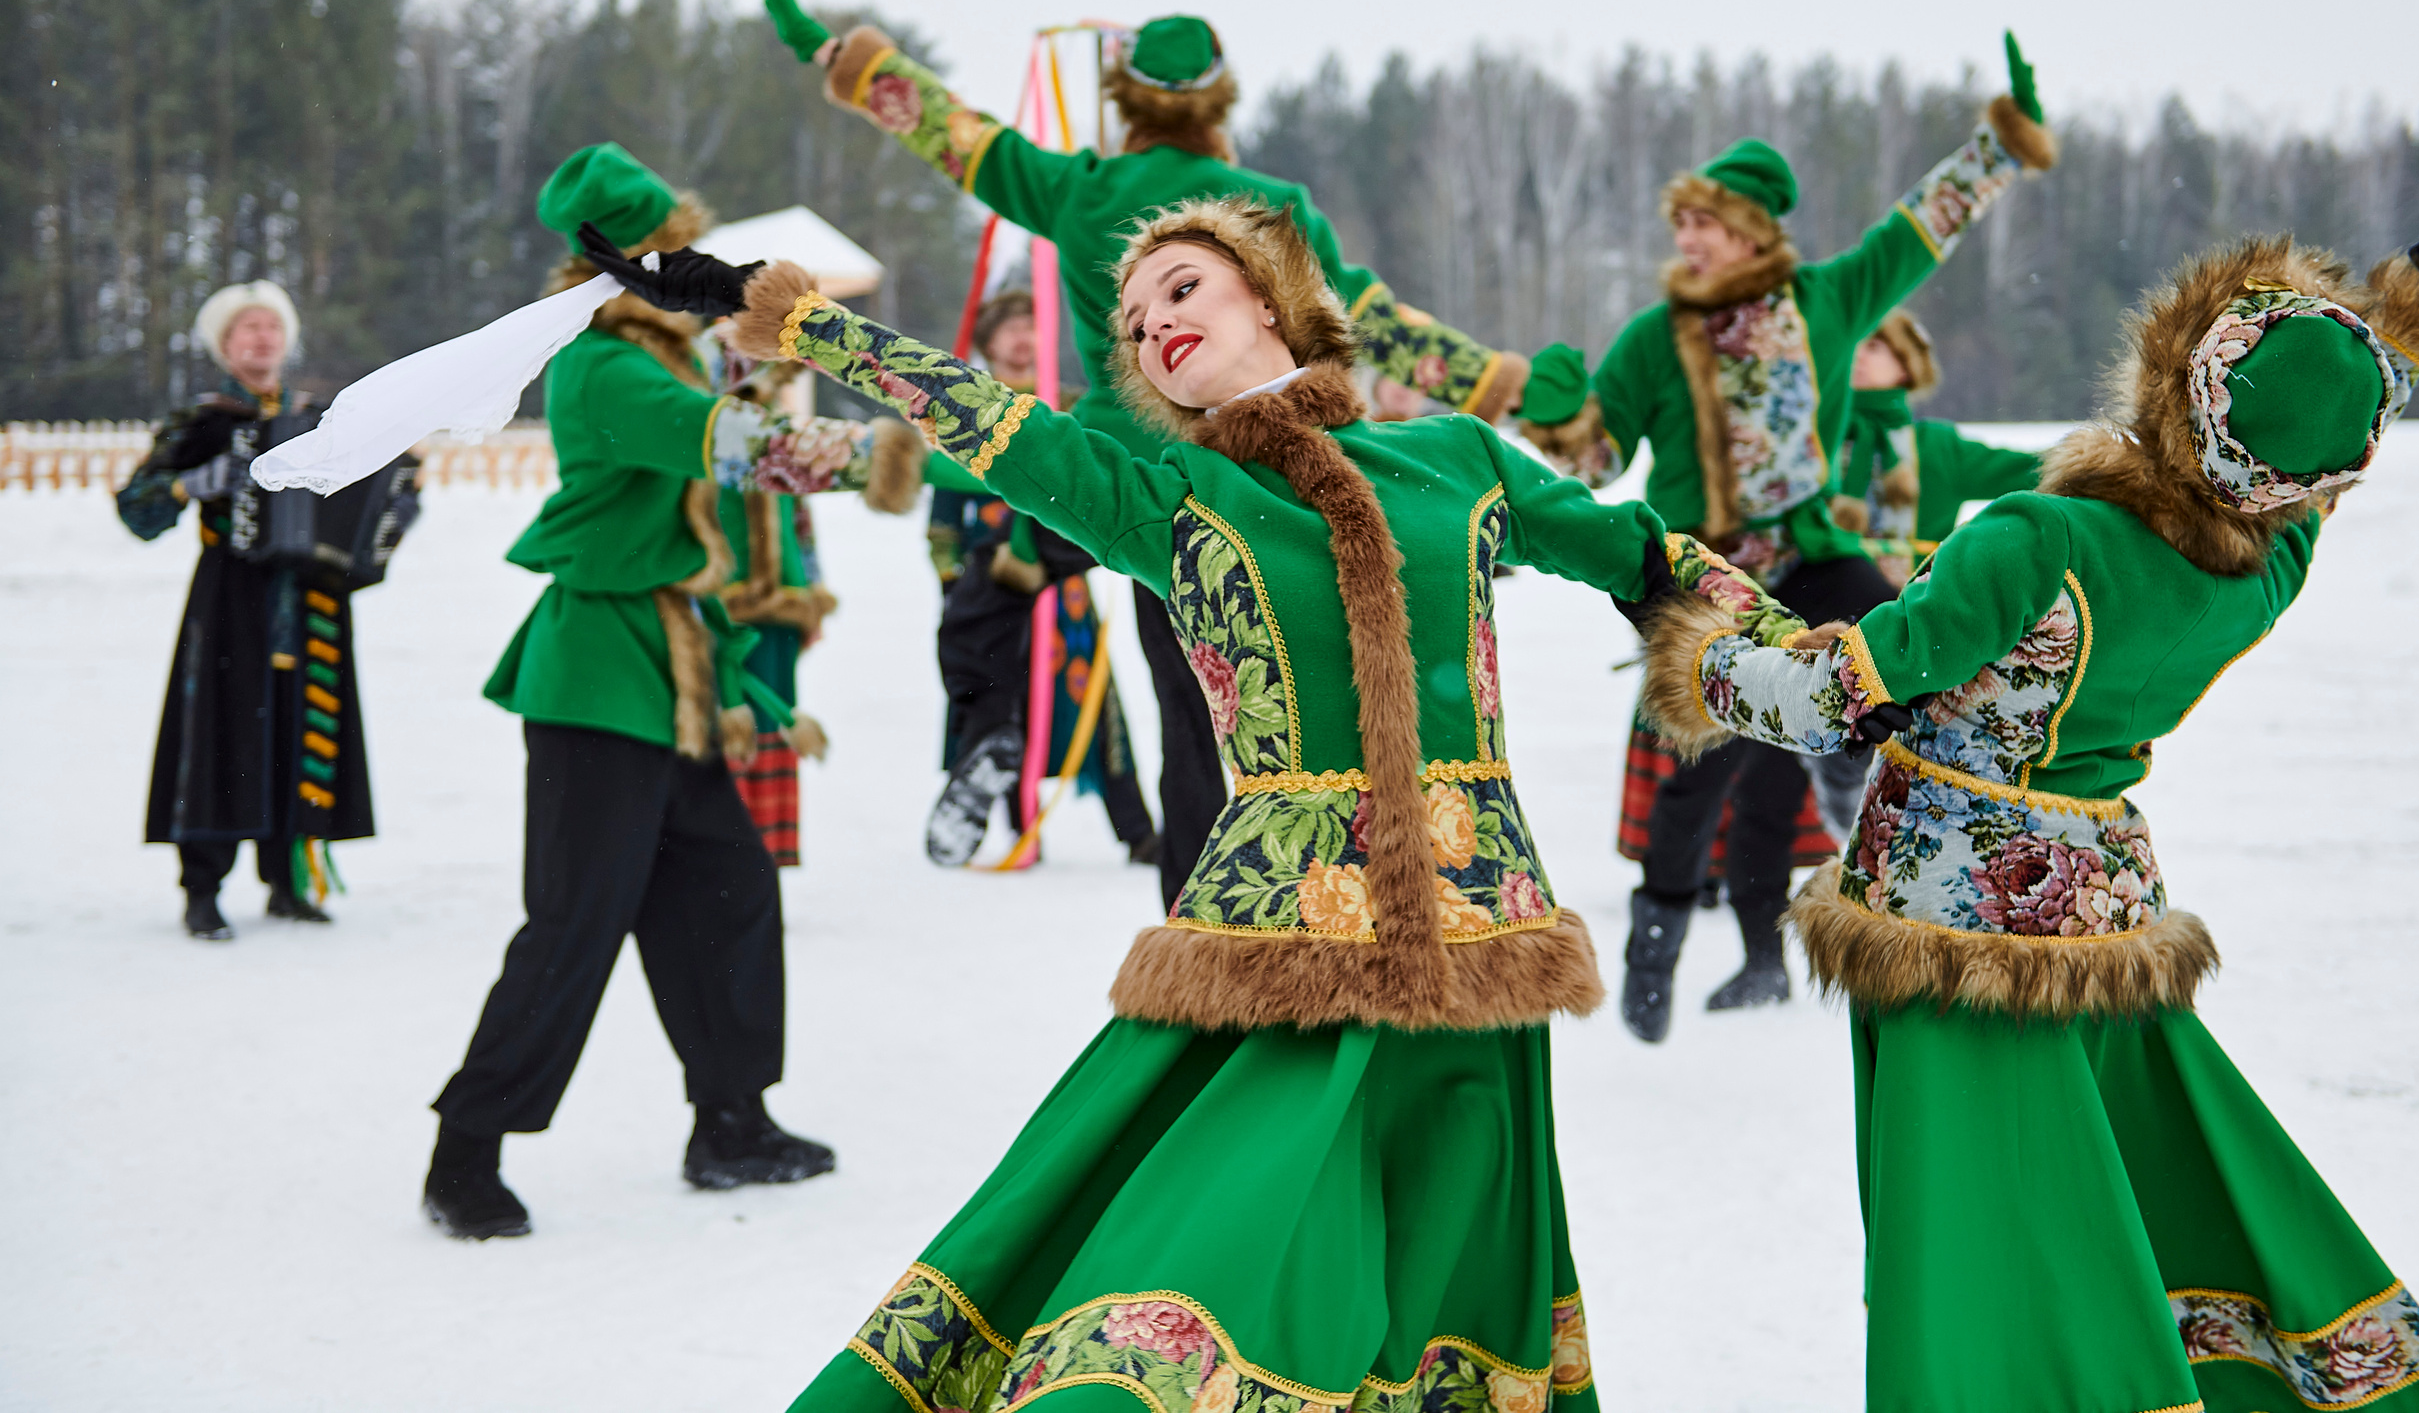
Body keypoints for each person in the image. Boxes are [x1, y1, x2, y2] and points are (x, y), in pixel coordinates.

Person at [587, 192, 1797, 1411]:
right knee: (1184, 1306)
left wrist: (1817, 675)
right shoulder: (1163, 497)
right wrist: (796, 320)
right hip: (1278, 967)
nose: (1151, 321)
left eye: (1180, 287)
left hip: (1479, 968)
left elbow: (1645, 561)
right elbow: (980, 415)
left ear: (1267, 299)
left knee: (1437, 1329)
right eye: (1129, 316)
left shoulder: (1459, 462)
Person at [1634, 97, 2419, 1413]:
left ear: (2176, 376)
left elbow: (1842, 693)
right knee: (2116, 1189)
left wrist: (1704, 659)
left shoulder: (2034, 539)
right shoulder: (2270, 554)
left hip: (1942, 929)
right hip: (2104, 907)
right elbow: (2357, 390)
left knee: (1970, 1233)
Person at [764, 0, 1532, 910]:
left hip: (1099, 474)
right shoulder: (1273, 203)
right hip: (1232, 497)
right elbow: (1372, 319)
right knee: (1204, 722)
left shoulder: (1085, 189)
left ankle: (989, 727)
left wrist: (852, 64)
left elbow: (958, 137)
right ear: (1219, 102)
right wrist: (1503, 385)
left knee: (984, 599)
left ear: (1128, 103)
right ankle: (1222, 923)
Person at [420, 144, 924, 1241]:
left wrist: (763, 329)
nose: (686, 261)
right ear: (620, 260)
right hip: (598, 672)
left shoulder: (664, 349)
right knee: (574, 921)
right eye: (667, 247)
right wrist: (899, 452)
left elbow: (735, 400)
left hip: (675, 667)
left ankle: (732, 1122)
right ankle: (466, 1147)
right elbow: (732, 446)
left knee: (730, 890)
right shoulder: (600, 366)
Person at [1516, 33, 2057, 1038]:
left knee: (1893, 625)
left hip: (1810, 552)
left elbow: (1918, 230)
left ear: (1754, 230)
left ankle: (1875, 777)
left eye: (1704, 225)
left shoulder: (1826, 301)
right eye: (1679, 224)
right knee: (1691, 771)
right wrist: (1557, 418)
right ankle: (1658, 935)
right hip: (1704, 568)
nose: (1686, 240)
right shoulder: (1650, 339)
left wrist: (1998, 144)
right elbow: (1595, 463)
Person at [118, 280, 419, 939]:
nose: (262, 338)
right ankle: (203, 888)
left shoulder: (325, 418)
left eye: (271, 327)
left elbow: (379, 487)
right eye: (247, 329)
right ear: (225, 345)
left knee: (298, 724)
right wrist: (189, 481)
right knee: (220, 731)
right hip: (231, 597)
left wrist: (396, 505)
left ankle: (288, 880)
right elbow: (135, 508)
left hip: (313, 599)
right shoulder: (204, 422)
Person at [921, 290, 1156, 866]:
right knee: (1006, 697)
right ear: (989, 341)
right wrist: (951, 581)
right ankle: (1020, 828)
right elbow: (943, 521)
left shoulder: (1064, 405)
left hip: (1063, 583)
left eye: (1033, 326)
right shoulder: (962, 411)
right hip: (996, 580)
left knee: (1095, 702)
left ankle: (1138, 832)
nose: (1024, 338)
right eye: (1011, 328)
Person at [702, 334, 837, 866]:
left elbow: (800, 522)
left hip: (782, 603)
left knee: (773, 716)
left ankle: (765, 850)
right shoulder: (705, 440)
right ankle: (723, 849)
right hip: (721, 600)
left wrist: (811, 591)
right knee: (726, 713)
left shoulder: (782, 442)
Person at [1830, 308, 2044, 587]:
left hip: (1911, 617)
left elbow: (2035, 472)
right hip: (1811, 618)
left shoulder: (1937, 448)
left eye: (1872, 346)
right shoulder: (1816, 437)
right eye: (1853, 342)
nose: (1856, 353)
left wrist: (2101, 462)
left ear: (1906, 365)